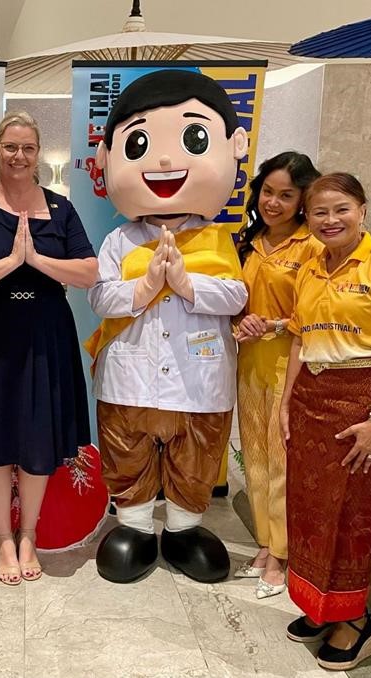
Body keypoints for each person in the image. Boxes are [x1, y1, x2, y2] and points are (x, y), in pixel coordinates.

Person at [86, 69, 248, 584]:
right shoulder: (119, 240)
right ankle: (133, 524)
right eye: (140, 143)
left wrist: (183, 282)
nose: (161, 161)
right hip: (128, 378)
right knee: (127, 451)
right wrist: (144, 287)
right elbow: (100, 295)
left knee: (194, 453)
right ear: (108, 160)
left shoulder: (217, 240)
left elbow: (235, 295)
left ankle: (182, 528)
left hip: (198, 382)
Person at [0, 112, 97, 586]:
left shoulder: (60, 209)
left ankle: (28, 535)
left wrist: (37, 259)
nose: (20, 156)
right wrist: (10, 262)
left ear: (37, 156)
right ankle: (4, 540)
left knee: (37, 439)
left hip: (45, 334)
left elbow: (88, 272)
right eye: (11, 147)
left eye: (28, 148)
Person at [279, 173, 371, 671]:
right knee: (309, 509)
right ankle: (320, 609)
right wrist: (284, 403)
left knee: (352, 515)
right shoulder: (308, 268)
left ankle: (355, 622)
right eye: (319, 212)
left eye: (341, 209)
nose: (329, 220)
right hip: (310, 399)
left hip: (362, 401)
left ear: (362, 210)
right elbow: (300, 339)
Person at [232, 152, 321, 599]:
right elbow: (233, 304)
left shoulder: (313, 247)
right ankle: (266, 545)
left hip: (294, 364)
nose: (274, 202)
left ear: (303, 199)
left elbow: (316, 311)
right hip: (249, 364)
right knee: (255, 457)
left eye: (287, 195)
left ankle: (284, 555)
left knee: (284, 458)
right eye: (268, 191)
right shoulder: (247, 242)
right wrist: (241, 323)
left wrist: (275, 324)